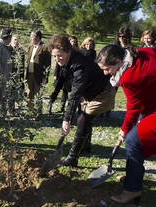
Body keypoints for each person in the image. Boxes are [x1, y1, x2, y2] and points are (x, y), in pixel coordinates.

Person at [97, 45, 156, 204]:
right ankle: (133, 175)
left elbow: (133, 109)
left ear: (118, 61)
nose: (105, 73)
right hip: (152, 105)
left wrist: (124, 131)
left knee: (132, 141)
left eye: (107, 68)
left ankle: (132, 189)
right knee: (138, 140)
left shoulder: (129, 76)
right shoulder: (139, 52)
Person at [49, 35, 115, 166]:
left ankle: (73, 158)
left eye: (59, 55)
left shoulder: (79, 65)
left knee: (83, 119)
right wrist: (54, 95)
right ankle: (85, 147)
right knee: (84, 118)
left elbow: (75, 95)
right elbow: (62, 79)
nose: (57, 59)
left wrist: (66, 119)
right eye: (54, 56)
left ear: (68, 51)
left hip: (103, 93)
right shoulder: (67, 61)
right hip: (90, 92)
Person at [26, 30, 51, 120]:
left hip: (39, 76)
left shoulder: (44, 47)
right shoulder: (30, 47)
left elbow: (48, 64)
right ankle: (29, 112)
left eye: (32, 36)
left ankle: (38, 114)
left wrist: (45, 77)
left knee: (38, 95)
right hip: (30, 74)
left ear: (38, 37)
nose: (30, 38)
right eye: (31, 36)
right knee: (29, 93)